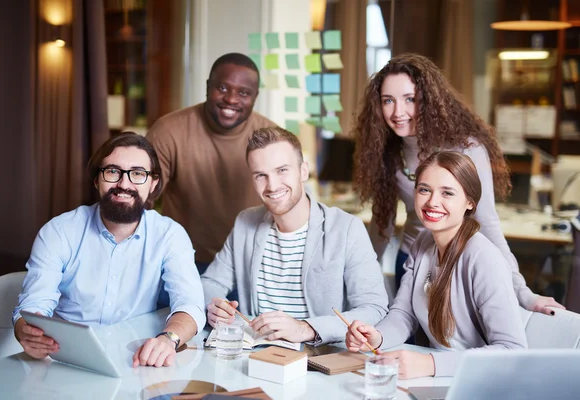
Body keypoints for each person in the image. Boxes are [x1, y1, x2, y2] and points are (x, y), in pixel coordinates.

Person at [352, 53, 564, 315]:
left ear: (429, 101)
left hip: (458, 265)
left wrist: (522, 291)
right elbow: (381, 222)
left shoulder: (466, 148)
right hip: (410, 262)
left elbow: (487, 224)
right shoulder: (387, 152)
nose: (398, 112)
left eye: (410, 99)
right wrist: (358, 279)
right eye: (388, 101)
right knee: (405, 341)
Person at [12, 132, 205, 368]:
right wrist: (26, 330)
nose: (124, 184)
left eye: (137, 174)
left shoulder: (170, 235)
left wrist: (169, 339)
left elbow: (190, 305)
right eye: (113, 171)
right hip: (65, 359)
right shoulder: (59, 232)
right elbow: (33, 306)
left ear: (153, 183)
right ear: (97, 180)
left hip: (134, 359)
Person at [346, 151, 528, 379]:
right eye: (424, 190)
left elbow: (512, 352)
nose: (432, 202)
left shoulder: (483, 258)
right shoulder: (423, 242)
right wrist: (377, 336)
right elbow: (404, 314)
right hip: (437, 380)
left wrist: (431, 364)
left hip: (477, 382)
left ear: (470, 202)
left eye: (447, 193)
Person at [201, 127, 389, 345]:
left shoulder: (346, 229)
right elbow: (210, 282)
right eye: (261, 175)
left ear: (303, 171)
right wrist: (213, 305)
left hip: (320, 358)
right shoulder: (245, 223)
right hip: (256, 355)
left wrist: (306, 328)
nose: (272, 185)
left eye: (282, 170)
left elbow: (373, 308)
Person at [146, 53, 275, 274]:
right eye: (223, 88)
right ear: (208, 86)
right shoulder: (169, 131)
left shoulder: (272, 138)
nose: (232, 99)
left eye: (243, 92)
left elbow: (289, 205)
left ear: (255, 96)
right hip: (184, 260)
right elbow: (141, 197)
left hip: (251, 263)